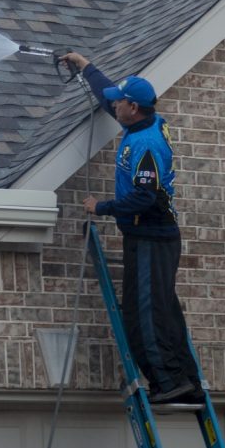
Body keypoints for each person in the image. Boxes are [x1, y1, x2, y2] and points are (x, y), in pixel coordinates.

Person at [60, 52, 203, 404]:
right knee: (163, 311)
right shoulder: (141, 122)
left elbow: (144, 198)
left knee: (143, 315)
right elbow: (112, 97)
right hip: (151, 237)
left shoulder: (146, 144)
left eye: (119, 103)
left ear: (133, 108)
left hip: (151, 237)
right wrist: (86, 67)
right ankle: (186, 379)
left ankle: (168, 384)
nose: (114, 107)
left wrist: (101, 207)